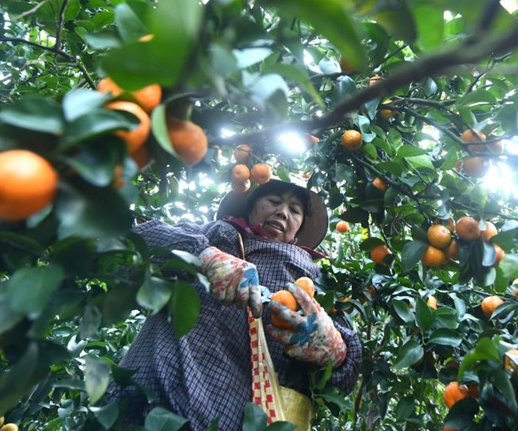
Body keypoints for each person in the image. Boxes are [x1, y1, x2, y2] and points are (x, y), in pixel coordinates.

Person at [106, 179, 362, 430]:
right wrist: (204, 257)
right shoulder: (216, 234)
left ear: (299, 228)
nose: (282, 212)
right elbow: (130, 243)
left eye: (294, 210)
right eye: (273, 201)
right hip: (154, 386)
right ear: (251, 207)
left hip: (238, 412)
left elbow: (346, 369)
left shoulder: (316, 279)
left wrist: (337, 350)